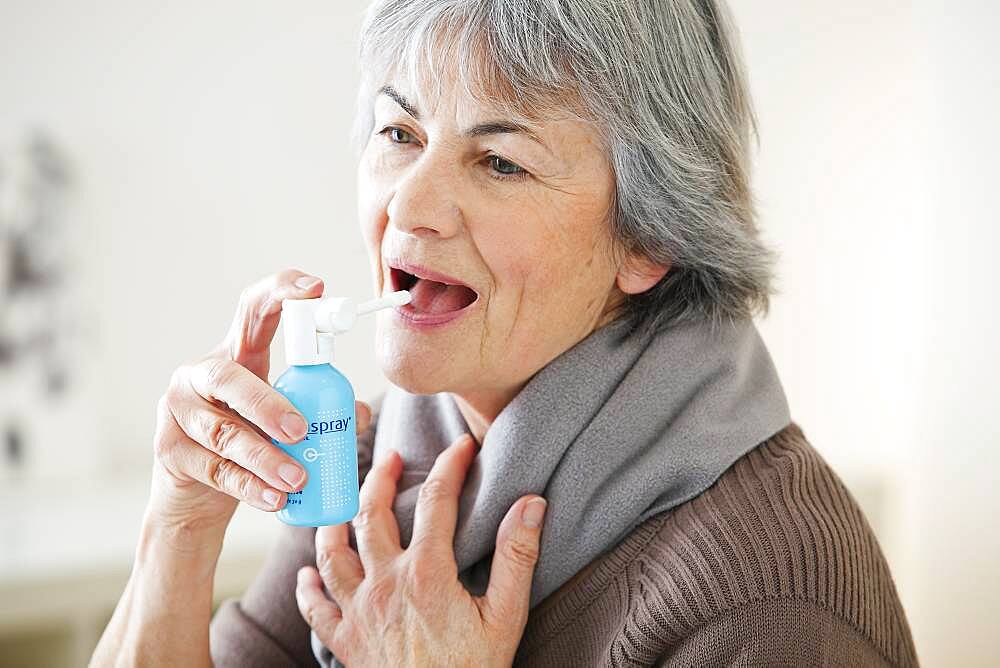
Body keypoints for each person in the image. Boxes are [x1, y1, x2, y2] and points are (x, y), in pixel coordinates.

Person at [92, 0, 919, 666]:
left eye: (500, 163)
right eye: (400, 134)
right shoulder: (384, 461)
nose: (407, 209)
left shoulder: (773, 609)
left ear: (650, 236)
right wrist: (180, 530)